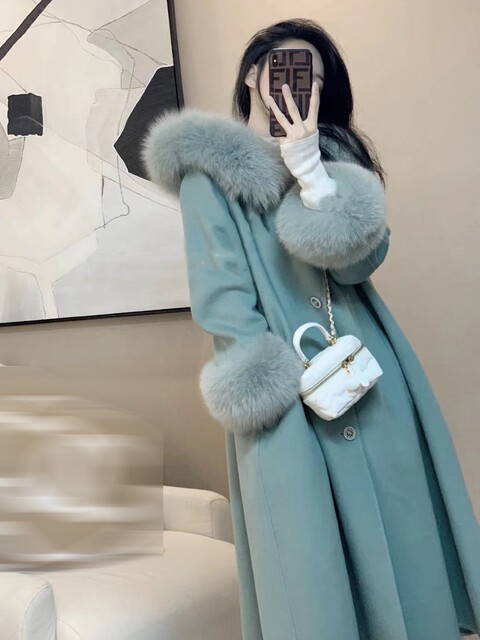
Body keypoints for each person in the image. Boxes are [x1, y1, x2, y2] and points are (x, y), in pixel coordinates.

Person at [142, 18, 480, 640]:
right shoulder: (205, 173)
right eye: (283, 68)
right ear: (252, 75)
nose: (297, 86)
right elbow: (221, 297)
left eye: (313, 78)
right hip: (281, 391)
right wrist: (276, 392)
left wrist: (313, 175)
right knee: (308, 566)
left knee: (399, 533)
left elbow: (358, 265)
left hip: (366, 374)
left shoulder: (335, 159)